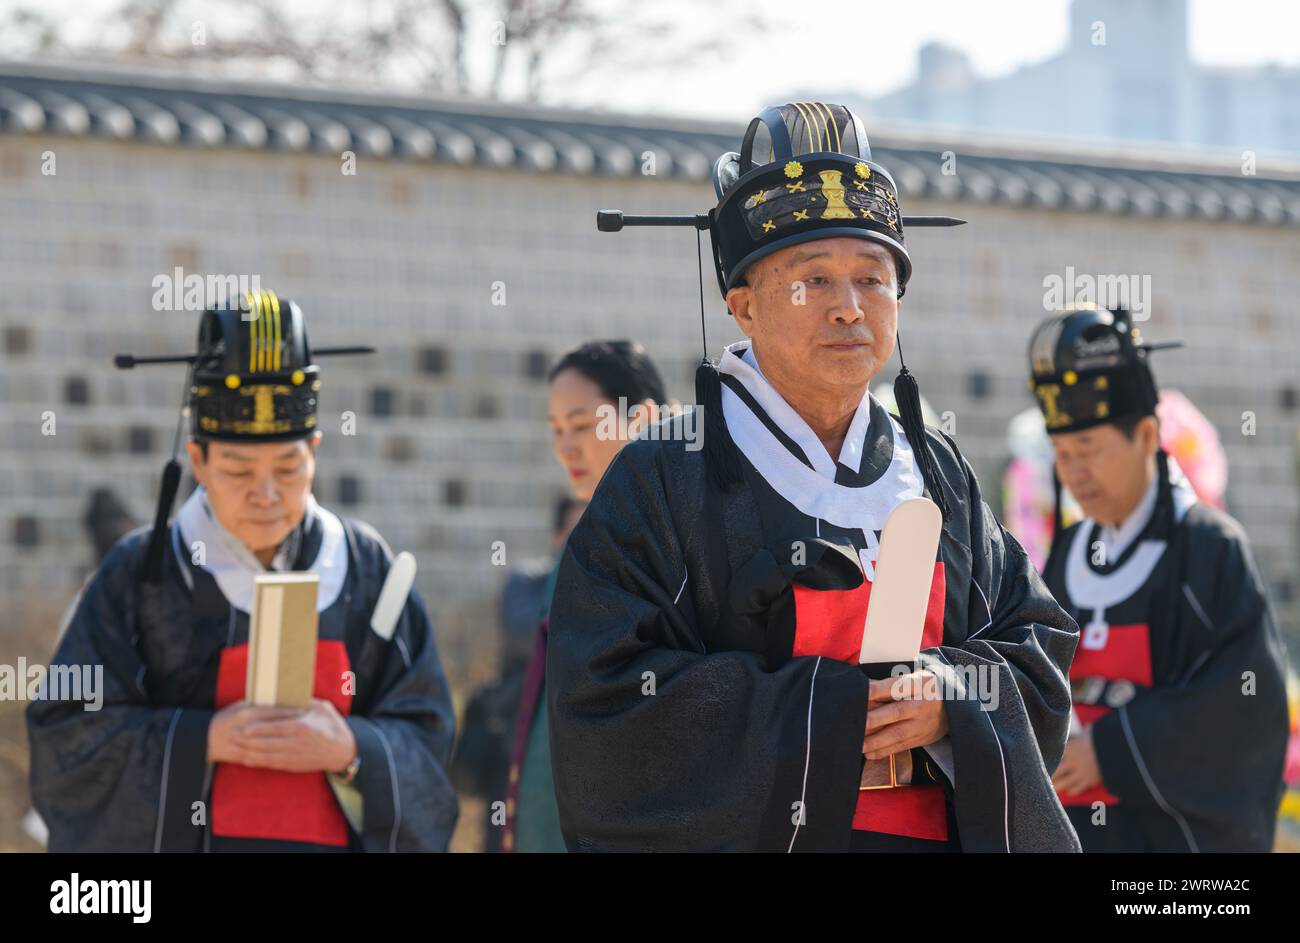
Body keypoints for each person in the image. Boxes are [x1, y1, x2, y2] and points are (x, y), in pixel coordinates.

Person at [546, 103, 1082, 852]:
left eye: (873, 278)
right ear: (742, 306)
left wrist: (950, 697)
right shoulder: (663, 479)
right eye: (813, 280)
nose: (848, 307)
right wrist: (824, 714)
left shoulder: (934, 469)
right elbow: (603, 704)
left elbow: (1039, 640)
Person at [27, 290, 458, 852]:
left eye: (288, 466)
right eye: (237, 469)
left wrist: (351, 749)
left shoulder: (369, 573)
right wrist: (201, 738)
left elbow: (428, 738)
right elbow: (68, 741)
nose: (267, 494)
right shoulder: (141, 574)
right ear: (199, 460)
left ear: (316, 452)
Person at [1029, 306, 1289, 852]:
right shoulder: (1071, 549)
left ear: (1147, 435)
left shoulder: (1210, 549)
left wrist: (1112, 751)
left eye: (1090, 450)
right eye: (1062, 454)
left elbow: (1244, 705)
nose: (1074, 472)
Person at [500, 340, 674, 852]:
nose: (565, 448)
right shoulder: (586, 543)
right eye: (556, 431)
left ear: (640, 419)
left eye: (580, 425)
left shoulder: (684, 543)